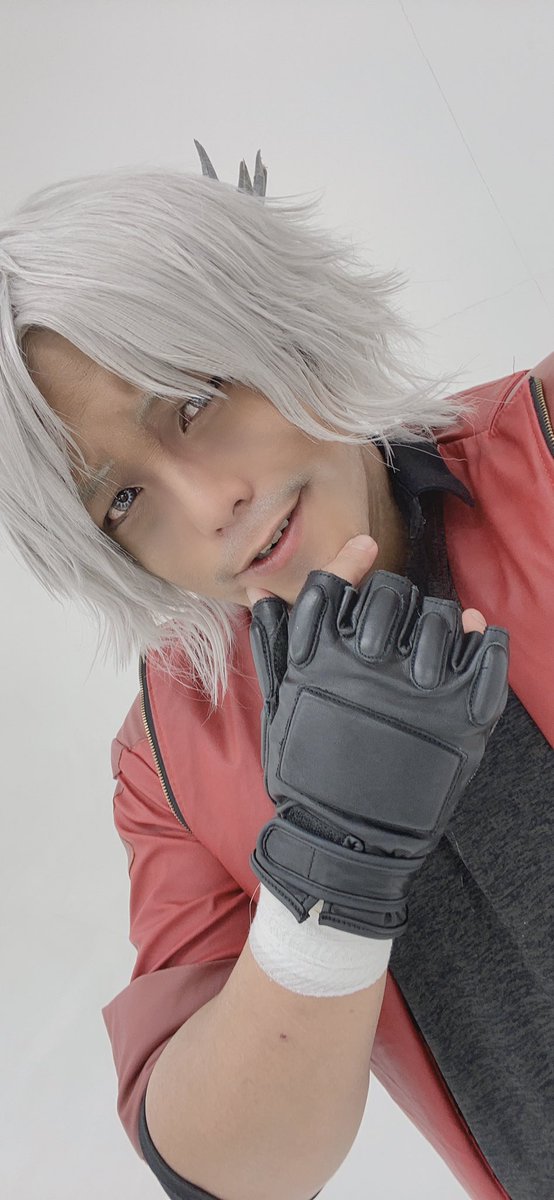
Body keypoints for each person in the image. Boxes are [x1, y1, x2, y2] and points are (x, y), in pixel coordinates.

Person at [0, 142, 552, 1200]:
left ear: (275, 318)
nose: (209, 505)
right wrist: (327, 874)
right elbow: (229, 1173)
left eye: (192, 401)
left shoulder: (543, 449)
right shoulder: (167, 762)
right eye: (123, 500)